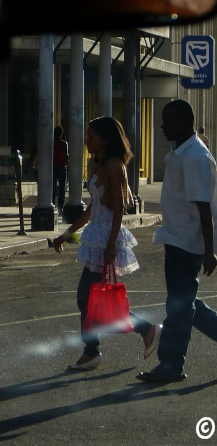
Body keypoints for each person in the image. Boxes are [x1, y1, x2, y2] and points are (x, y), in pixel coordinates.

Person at [137, 99, 217, 382]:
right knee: (185, 303)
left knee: (178, 307)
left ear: (184, 123)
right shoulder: (182, 152)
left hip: (187, 242)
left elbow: (204, 208)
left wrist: (209, 252)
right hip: (177, 237)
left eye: (168, 121)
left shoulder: (194, 158)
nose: (162, 126)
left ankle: (171, 364)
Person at [53, 117, 160, 371]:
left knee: (87, 297)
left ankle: (93, 351)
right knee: (90, 298)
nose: (87, 141)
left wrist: (111, 244)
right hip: (96, 236)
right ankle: (144, 331)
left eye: (92, 137)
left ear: (105, 140)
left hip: (105, 238)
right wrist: (66, 234)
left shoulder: (113, 166)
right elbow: (93, 208)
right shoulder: (99, 164)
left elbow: (118, 208)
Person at [52, 125, 69, 212]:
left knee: (52, 187)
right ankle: (60, 206)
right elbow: (66, 156)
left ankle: (52, 203)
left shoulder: (51, 143)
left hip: (53, 167)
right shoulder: (63, 143)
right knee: (62, 188)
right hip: (62, 167)